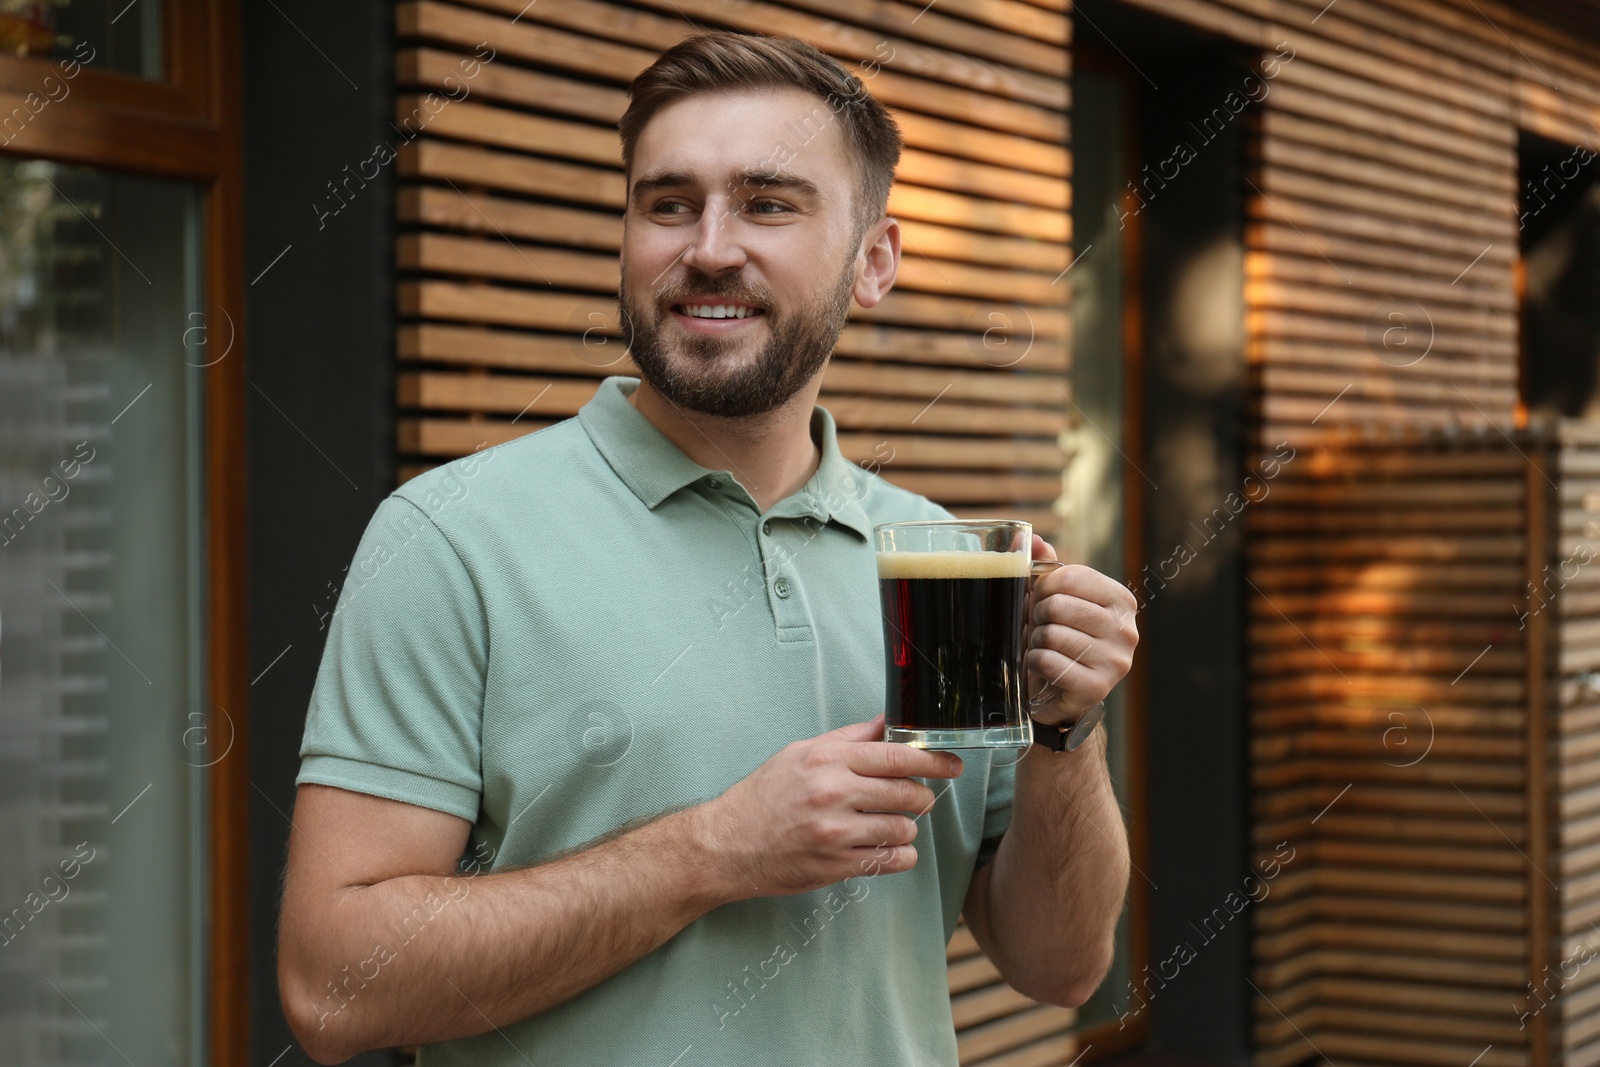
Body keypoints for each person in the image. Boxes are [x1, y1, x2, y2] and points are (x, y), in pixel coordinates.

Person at [278, 30, 1135, 1066]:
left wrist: (1067, 732)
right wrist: (713, 849)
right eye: (668, 203)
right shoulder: (449, 538)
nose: (710, 246)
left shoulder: (946, 564)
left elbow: (1060, 964)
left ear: (874, 261)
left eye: (768, 203)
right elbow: (331, 989)